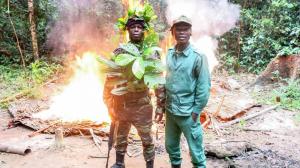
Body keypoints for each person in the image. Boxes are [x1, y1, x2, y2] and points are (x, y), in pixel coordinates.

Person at [103, 14, 165, 168]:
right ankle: (119, 163)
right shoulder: (120, 51)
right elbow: (110, 77)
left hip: (142, 103)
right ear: (128, 30)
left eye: (139, 27)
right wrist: (108, 102)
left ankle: (149, 165)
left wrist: (160, 105)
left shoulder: (151, 52)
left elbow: (157, 79)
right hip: (122, 102)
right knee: (121, 135)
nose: (136, 30)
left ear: (144, 30)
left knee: (147, 139)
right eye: (133, 27)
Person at [157, 15, 211, 168]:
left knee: (196, 152)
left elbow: (204, 87)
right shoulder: (169, 54)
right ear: (172, 32)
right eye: (178, 29)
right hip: (171, 112)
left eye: (185, 29)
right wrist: (161, 107)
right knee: (171, 146)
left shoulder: (198, 57)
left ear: (190, 32)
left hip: (188, 114)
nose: (181, 32)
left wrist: (196, 111)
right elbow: (164, 82)